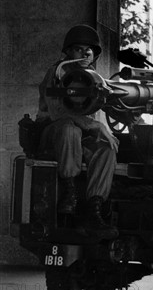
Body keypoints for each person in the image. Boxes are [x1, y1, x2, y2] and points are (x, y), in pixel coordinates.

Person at [37, 24, 119, 239]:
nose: (85, 53)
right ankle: (69, 192)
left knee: (107, 148)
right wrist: (95, 125)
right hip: (51, 134)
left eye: (89, 50)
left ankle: (95, 208)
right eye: (79, 49)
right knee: (68, 129)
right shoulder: (57, 73)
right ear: (68, 52)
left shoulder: (93, 78)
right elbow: (56, 112)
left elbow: (112, 104)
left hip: (79, 138)